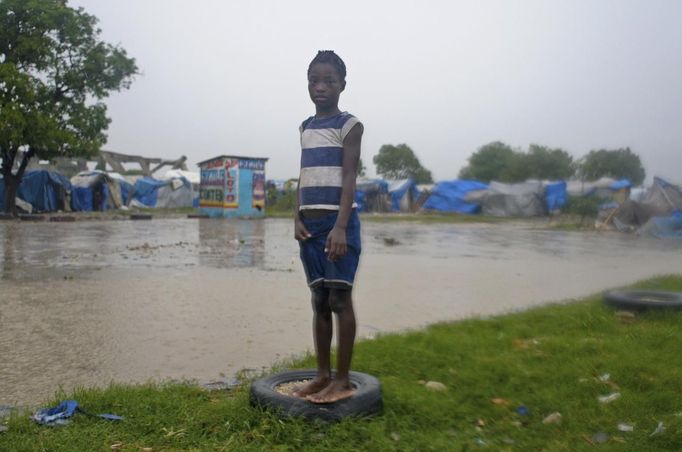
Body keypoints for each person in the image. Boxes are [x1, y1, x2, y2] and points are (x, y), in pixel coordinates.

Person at [292, 50, 364, 404]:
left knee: (339, 298)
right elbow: (304, 175)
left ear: (342, 85)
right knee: (319, 299)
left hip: (339, 225)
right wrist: (296, 216)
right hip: (310, 225)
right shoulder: (305, 127)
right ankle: (321, 375)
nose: (320, 88)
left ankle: (343, 378)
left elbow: (348, 176)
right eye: (314, 81)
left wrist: (340, 226)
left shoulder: (349, 125)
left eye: (329, 81)